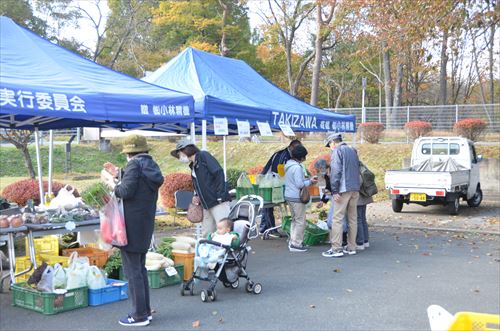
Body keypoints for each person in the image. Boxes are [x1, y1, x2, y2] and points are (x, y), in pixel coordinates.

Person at [103, 135, 164, 327]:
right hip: (144, 225)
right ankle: (145, 311)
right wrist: (119, 173)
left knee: (133, 272)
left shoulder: (134, 166)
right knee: (140, 270)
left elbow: (125, 191)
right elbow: (138, 183)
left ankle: (139, 316)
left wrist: (112, 184)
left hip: (129, 227)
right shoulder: (151, 166)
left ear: (129, 153)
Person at [171, 139, 230, 238]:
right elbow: (199, 183)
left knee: (223, 230)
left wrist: (220, 194)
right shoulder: (193, 165)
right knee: (207, 232)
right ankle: (209, 251)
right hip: (206, 204)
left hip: (217, 201)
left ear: (186, 150)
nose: (180, 157)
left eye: (180, 154)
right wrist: (196, 195)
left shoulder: (203, 156)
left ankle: (227, 251)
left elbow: (218, 172)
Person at [322, 133, 361, 258]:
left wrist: (334, 191)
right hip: (355, 188)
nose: (330, 148)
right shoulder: (351, 150)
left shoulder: (337, 151)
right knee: (352, 219)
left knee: (337, 219)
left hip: (343, 189)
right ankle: (351, 247)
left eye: (329, 145)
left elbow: (336, 172)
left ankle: (336, 248)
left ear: (333, 142)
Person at [260, 139, 303, 236]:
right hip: (269, 182)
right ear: (291, 147)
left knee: (268, 206)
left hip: (275, 181)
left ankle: (265, 228)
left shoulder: (290, 155)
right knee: (268, 205)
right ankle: (268, 229)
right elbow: (278, 172)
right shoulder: (282, 155)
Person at [284, 145, 317, 252]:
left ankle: (293, 241)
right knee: (300, 221)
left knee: (294, 220)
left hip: (289, 196)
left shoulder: (288, 165)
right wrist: (310, 181)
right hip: (296, 197)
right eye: (304, 156)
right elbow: (299, 184)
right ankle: (296, 244)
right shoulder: (297, 167)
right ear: (301, 157)